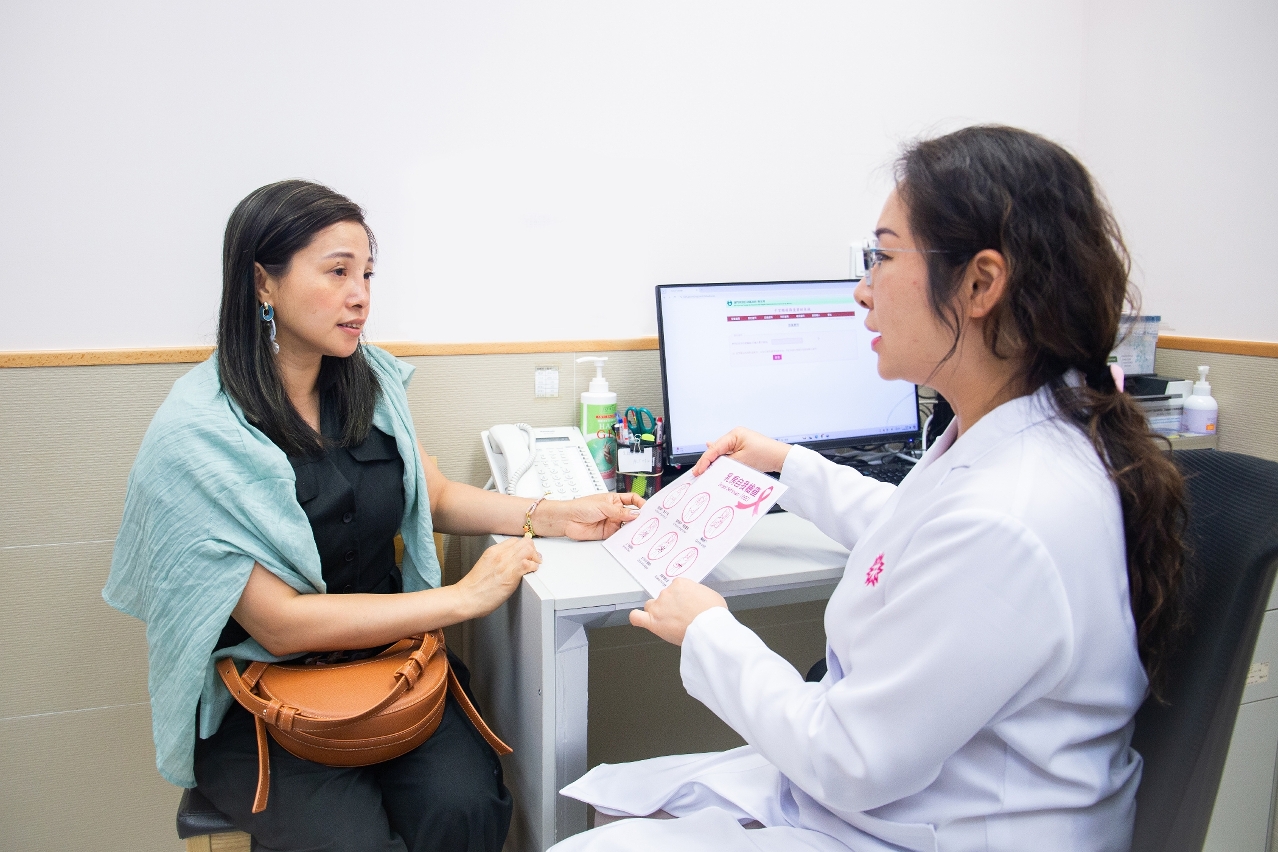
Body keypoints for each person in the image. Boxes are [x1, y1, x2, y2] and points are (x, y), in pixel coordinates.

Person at [552, 126, 1187, 852]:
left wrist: (709, 630)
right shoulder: (1016, 443)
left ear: (981, 284)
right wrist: (788, 464)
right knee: (621, 806)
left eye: (882, 257)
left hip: (936, 827)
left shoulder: (1011, 514)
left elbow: (849, 760)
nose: (861, 290)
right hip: (911, 799)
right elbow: (915, 531)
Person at [102, 179, 643, 852]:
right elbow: (280, 625)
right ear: (263, 282)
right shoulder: (197, 434)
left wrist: (560, 514)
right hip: (265, 697)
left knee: (467, 811)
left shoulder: (369, 380)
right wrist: (461, 598)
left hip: (393, 667)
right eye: (337, 272)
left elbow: (433, 495)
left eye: (366, 274)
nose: (360, 295)